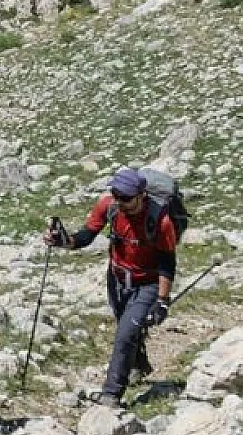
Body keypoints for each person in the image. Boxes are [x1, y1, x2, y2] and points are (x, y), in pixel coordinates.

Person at [44, 167, 178, 408]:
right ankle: (137, 364)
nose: (120, 201)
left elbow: (167, 263)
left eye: (126, 198)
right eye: (116, 195)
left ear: (141, 195)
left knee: (125, 334)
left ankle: (111, 394)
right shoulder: (110, 206)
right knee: (126, 326)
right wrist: (64, 241)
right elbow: (87, 235)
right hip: (116, 279)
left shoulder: (161, 221)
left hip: (146, 282)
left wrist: (162, 300)